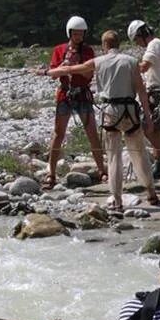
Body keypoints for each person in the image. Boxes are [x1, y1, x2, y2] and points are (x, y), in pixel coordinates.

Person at [40, 30, 160, 212]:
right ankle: (151, 192)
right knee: (139, 152)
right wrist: (148, 117)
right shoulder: (131, 61)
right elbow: (141, 91)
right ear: (118, 44)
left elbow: (69, 70)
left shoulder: (97, 62)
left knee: (113, 156)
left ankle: (118, 200)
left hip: (111, 111)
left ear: (104, 46)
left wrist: (45, 72)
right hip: (130, 111)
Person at [39, 16, 106, 190]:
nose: (78, 37)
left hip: (83, 94)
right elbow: (54, 73)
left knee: (92, 133)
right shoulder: (59, 50)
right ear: (70, 33)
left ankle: (102, 170)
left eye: (81, 34)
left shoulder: (88, 51)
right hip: (65, 94)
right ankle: (51, 173)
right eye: (75, 34)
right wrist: (64, 64)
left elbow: (88, 75)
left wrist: (76, 66)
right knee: (58, 134)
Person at [127, 20, 160, 180]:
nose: (138, 44)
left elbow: (144, 66)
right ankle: (159, 165)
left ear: (141, 35)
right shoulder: (158, 44)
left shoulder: (154, 45)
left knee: (145, 126)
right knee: (156, 129)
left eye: (136, 40)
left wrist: (126, 68)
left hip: (159, 94)